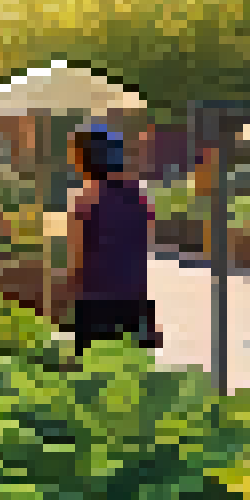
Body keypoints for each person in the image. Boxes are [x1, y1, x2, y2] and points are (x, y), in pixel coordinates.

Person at [67, 125, 159, 355]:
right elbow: (144, 243)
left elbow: (76, 261)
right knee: (133, 376)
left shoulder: (85, 199)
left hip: (96, 303)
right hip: (135, 301)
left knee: (95, 378)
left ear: (86, 158)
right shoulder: (139, 196)